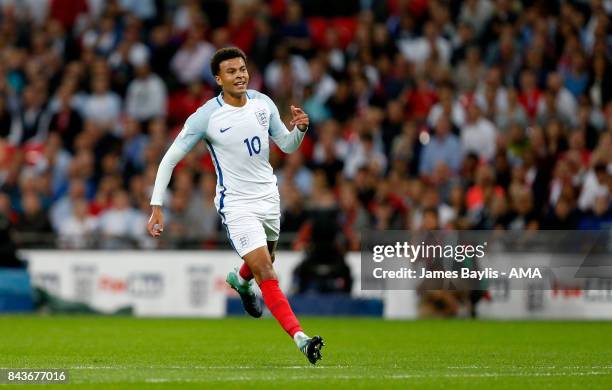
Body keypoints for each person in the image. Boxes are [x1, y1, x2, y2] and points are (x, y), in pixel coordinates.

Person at [147, 47, 324, 364]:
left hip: (269, 198)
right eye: (231, 71)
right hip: (236, 204)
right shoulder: (206, 116)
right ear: (218, 78)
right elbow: (169, 159)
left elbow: (285, 145)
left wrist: (300, 130)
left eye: (242, 69)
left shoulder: (263, 103)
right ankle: (302, 339)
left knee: (265, 259)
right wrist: (156, 204)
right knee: (267, 270)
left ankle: (240, 282)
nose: (239, 75)